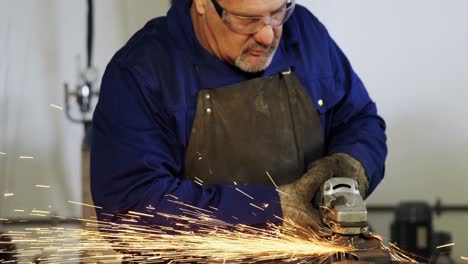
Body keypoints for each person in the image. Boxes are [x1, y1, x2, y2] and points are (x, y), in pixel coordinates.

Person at [91, 0, 387, 230]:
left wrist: (351, 164)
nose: (267, 34)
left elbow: (359, 119)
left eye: (277, 12)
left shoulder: (305, 33)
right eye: (247, 19)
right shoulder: (143, 72)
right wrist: (273, 211)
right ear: (203, 4)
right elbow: (130, 206)